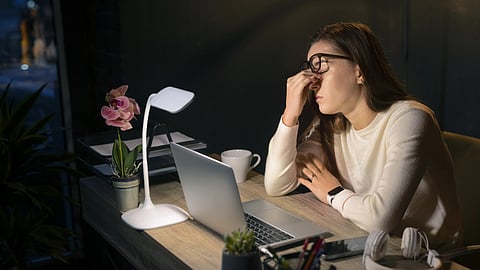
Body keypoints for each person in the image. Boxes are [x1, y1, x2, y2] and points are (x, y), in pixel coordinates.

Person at [264, 22, 463, 250]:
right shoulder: (332, 123)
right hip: (367, 243)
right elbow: (277, 184)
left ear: (359, 71)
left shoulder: (410, 119)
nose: (312, 80)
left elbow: (381, 220)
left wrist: (334, 193)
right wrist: (290, 115)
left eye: (321, 66)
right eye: (310, 69)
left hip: (428, 257)